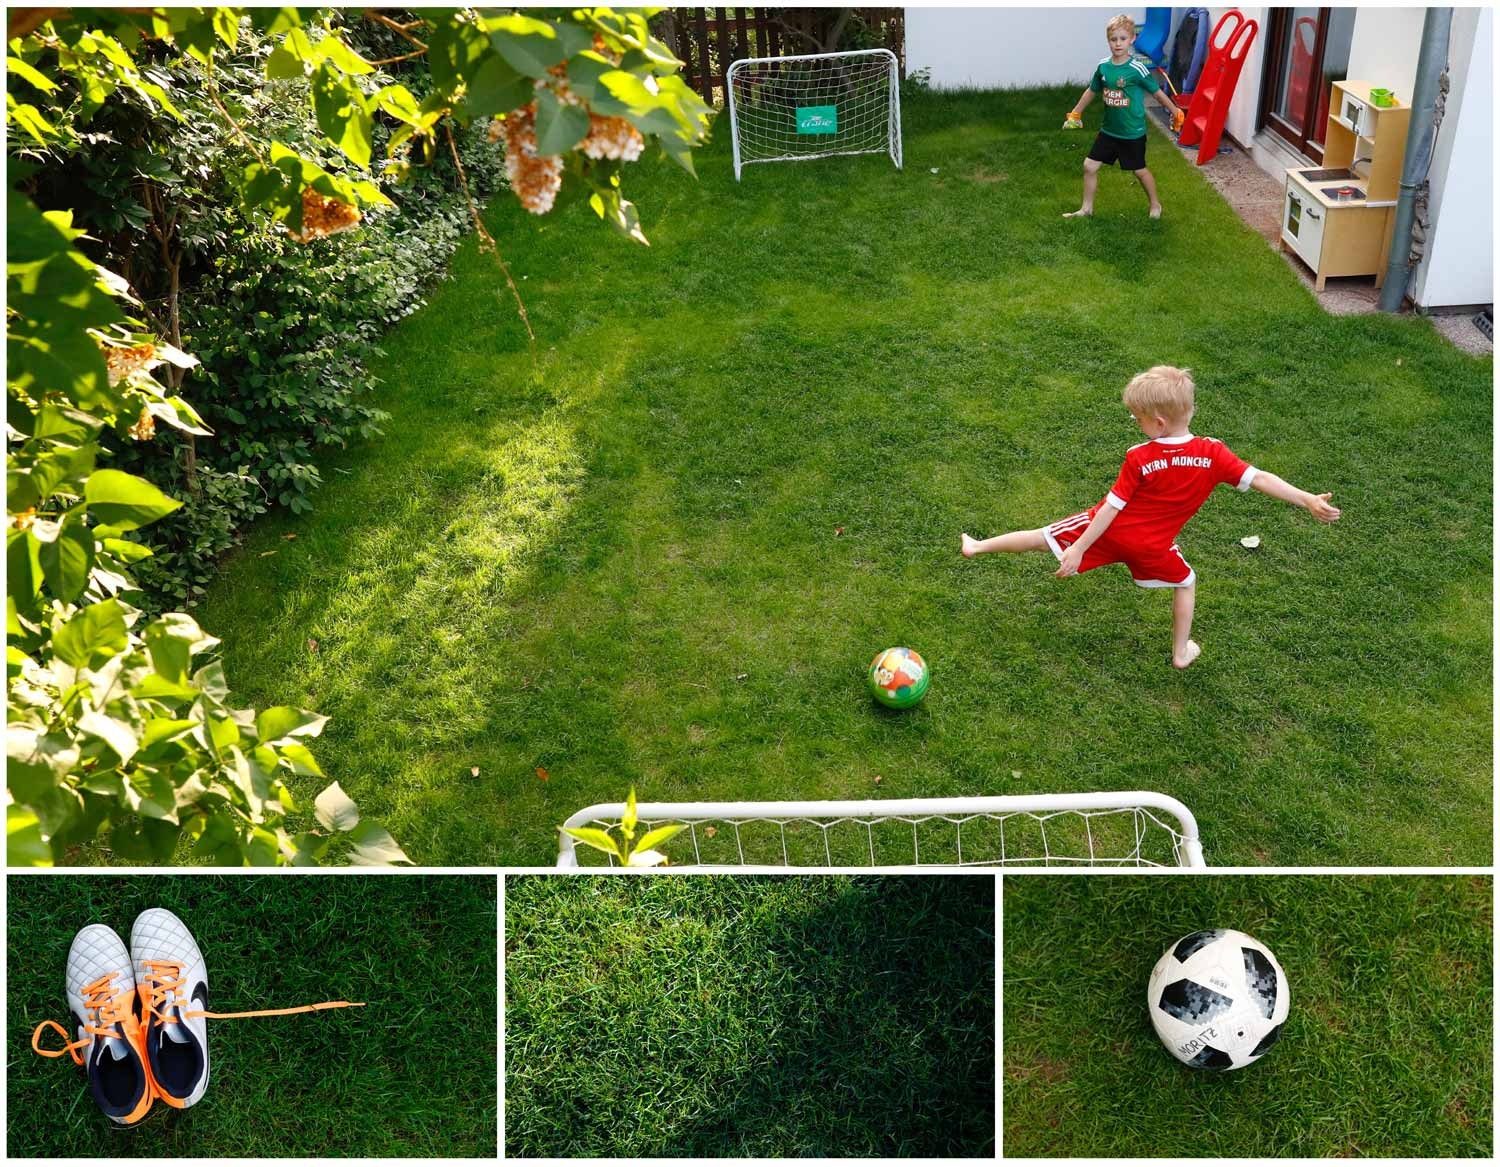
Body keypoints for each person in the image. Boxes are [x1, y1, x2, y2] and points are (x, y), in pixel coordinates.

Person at [960, 366, 1341, 669]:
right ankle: (1180, 652)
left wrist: (1077, 549)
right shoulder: (1213, 454)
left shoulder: (1140, 457)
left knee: (1042, 536)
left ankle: (977, 547)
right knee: (1186, 582)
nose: (1135, 424)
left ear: (1158, 423)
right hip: (1153, 547)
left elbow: (1111, 507)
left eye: (1136, 418)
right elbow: (1260, 478)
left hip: (1109, 531)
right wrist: (1306, 498)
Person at [1062, 13, 1184, 219]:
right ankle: (1086, 209)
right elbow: (1091, 90)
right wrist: (1076, 113)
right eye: (1113, 39)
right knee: (1089, 166)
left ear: (1132, 39)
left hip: (1132, 133)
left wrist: (1176, 112)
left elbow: (1157, 92)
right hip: (1109, 131)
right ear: (1108, 40)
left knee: (1139, 170)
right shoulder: (1104, 67)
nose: (1118, 44)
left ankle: (1155, 204)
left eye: (1123, 39)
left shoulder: (1137, 69)